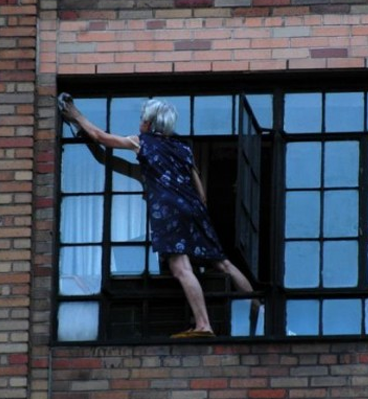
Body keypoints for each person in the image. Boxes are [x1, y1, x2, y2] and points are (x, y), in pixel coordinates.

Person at [58, 93, 256, 338]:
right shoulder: (184, 148)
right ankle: (258, 311)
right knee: (223, 263)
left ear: (149, 124)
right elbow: (201, 193)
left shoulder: (143, 141)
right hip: (194, 208)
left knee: (181, 267)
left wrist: (76, 115)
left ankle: (204, 325)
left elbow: (101, 138)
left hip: (169, 209)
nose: (140, 122)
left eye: (142, 119)